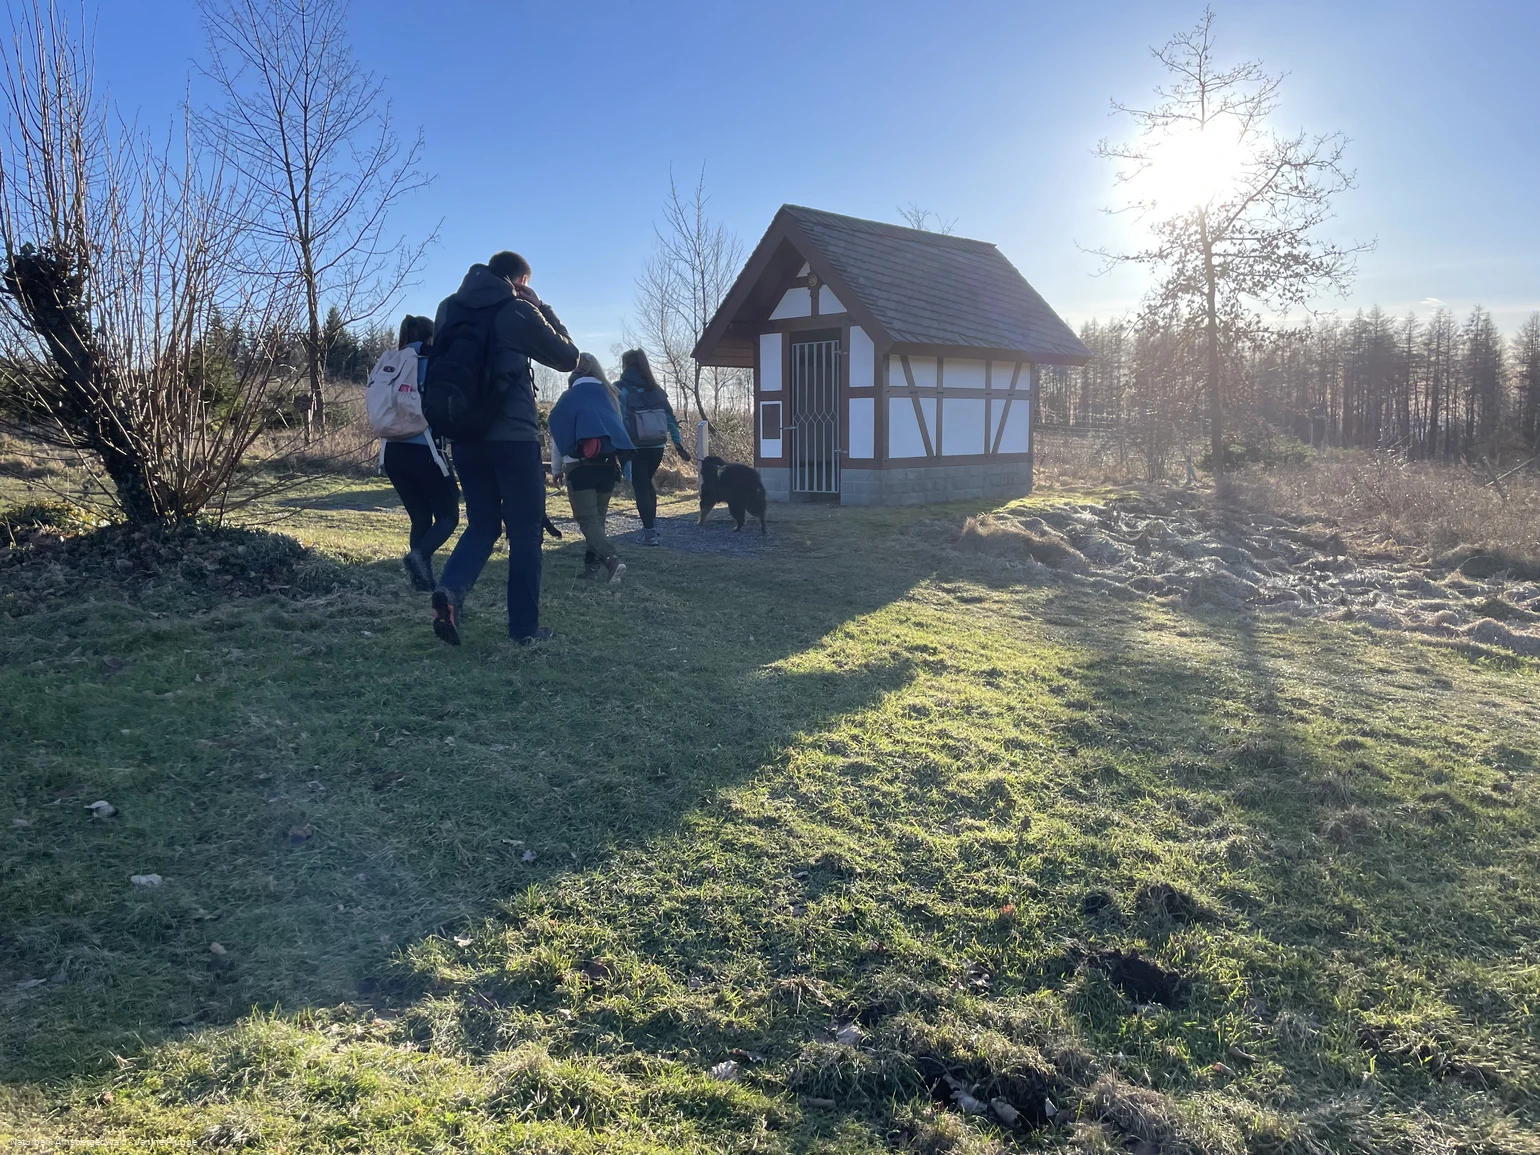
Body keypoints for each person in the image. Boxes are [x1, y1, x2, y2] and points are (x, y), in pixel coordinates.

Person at [428, 251, 578, 647]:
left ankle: (451, 590)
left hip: (463, 436)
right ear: (521, 280)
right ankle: (525, 630)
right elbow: (569, 357)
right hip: (513, 439)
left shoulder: (449, 308)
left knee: (482, 524)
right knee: (526, 531)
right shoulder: (515, 309)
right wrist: (540, 307)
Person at [380, 315, 459, 592]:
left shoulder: (390, 363)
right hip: (426, 450)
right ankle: (419, 557)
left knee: (420, 517)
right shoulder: (429, 362)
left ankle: (421, 582)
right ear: (430, 337)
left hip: (391, 451)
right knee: (449, 515)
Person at [548, 353, 635, 582]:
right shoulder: (611, 395)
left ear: (574, 373)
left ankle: (612, 559)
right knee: (598, 520)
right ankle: (591, 570)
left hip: (580, 467)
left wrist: (556, 468)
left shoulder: (569, 397)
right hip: (608, 467)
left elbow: (559, 435)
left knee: (587, 520)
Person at [614, 348, 689, 545]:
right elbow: (671, 420)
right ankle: (652, 529)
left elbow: (615, 419)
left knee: (641, 486)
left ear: (625, 365)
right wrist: (678, 445)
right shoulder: (656, 390)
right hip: (656, 445)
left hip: (633, 446)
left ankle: (650, 534)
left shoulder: (619, 389)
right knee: (647, 484)